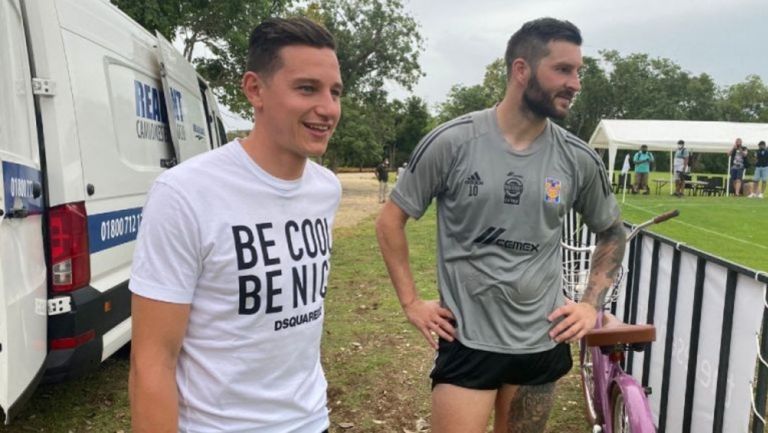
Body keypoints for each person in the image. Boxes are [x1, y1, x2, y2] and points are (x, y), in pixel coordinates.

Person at [375, 18, 625, 433]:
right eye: (563, 69)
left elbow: (612, 231)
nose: (575, 83)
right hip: (468, 342)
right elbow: (390, 221)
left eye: (578, 71)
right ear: (521, 70)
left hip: (539, 343)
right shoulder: (453, 142)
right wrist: (411, 302)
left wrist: (588, 304)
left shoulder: (577, 158)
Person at [128, 17, 342, 433]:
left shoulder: (326, 190)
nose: (328, 108)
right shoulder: (185, 194)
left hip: (311, 420)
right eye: (307, 88)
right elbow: (152, 361)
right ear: (254, 89)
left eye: (335, 92)